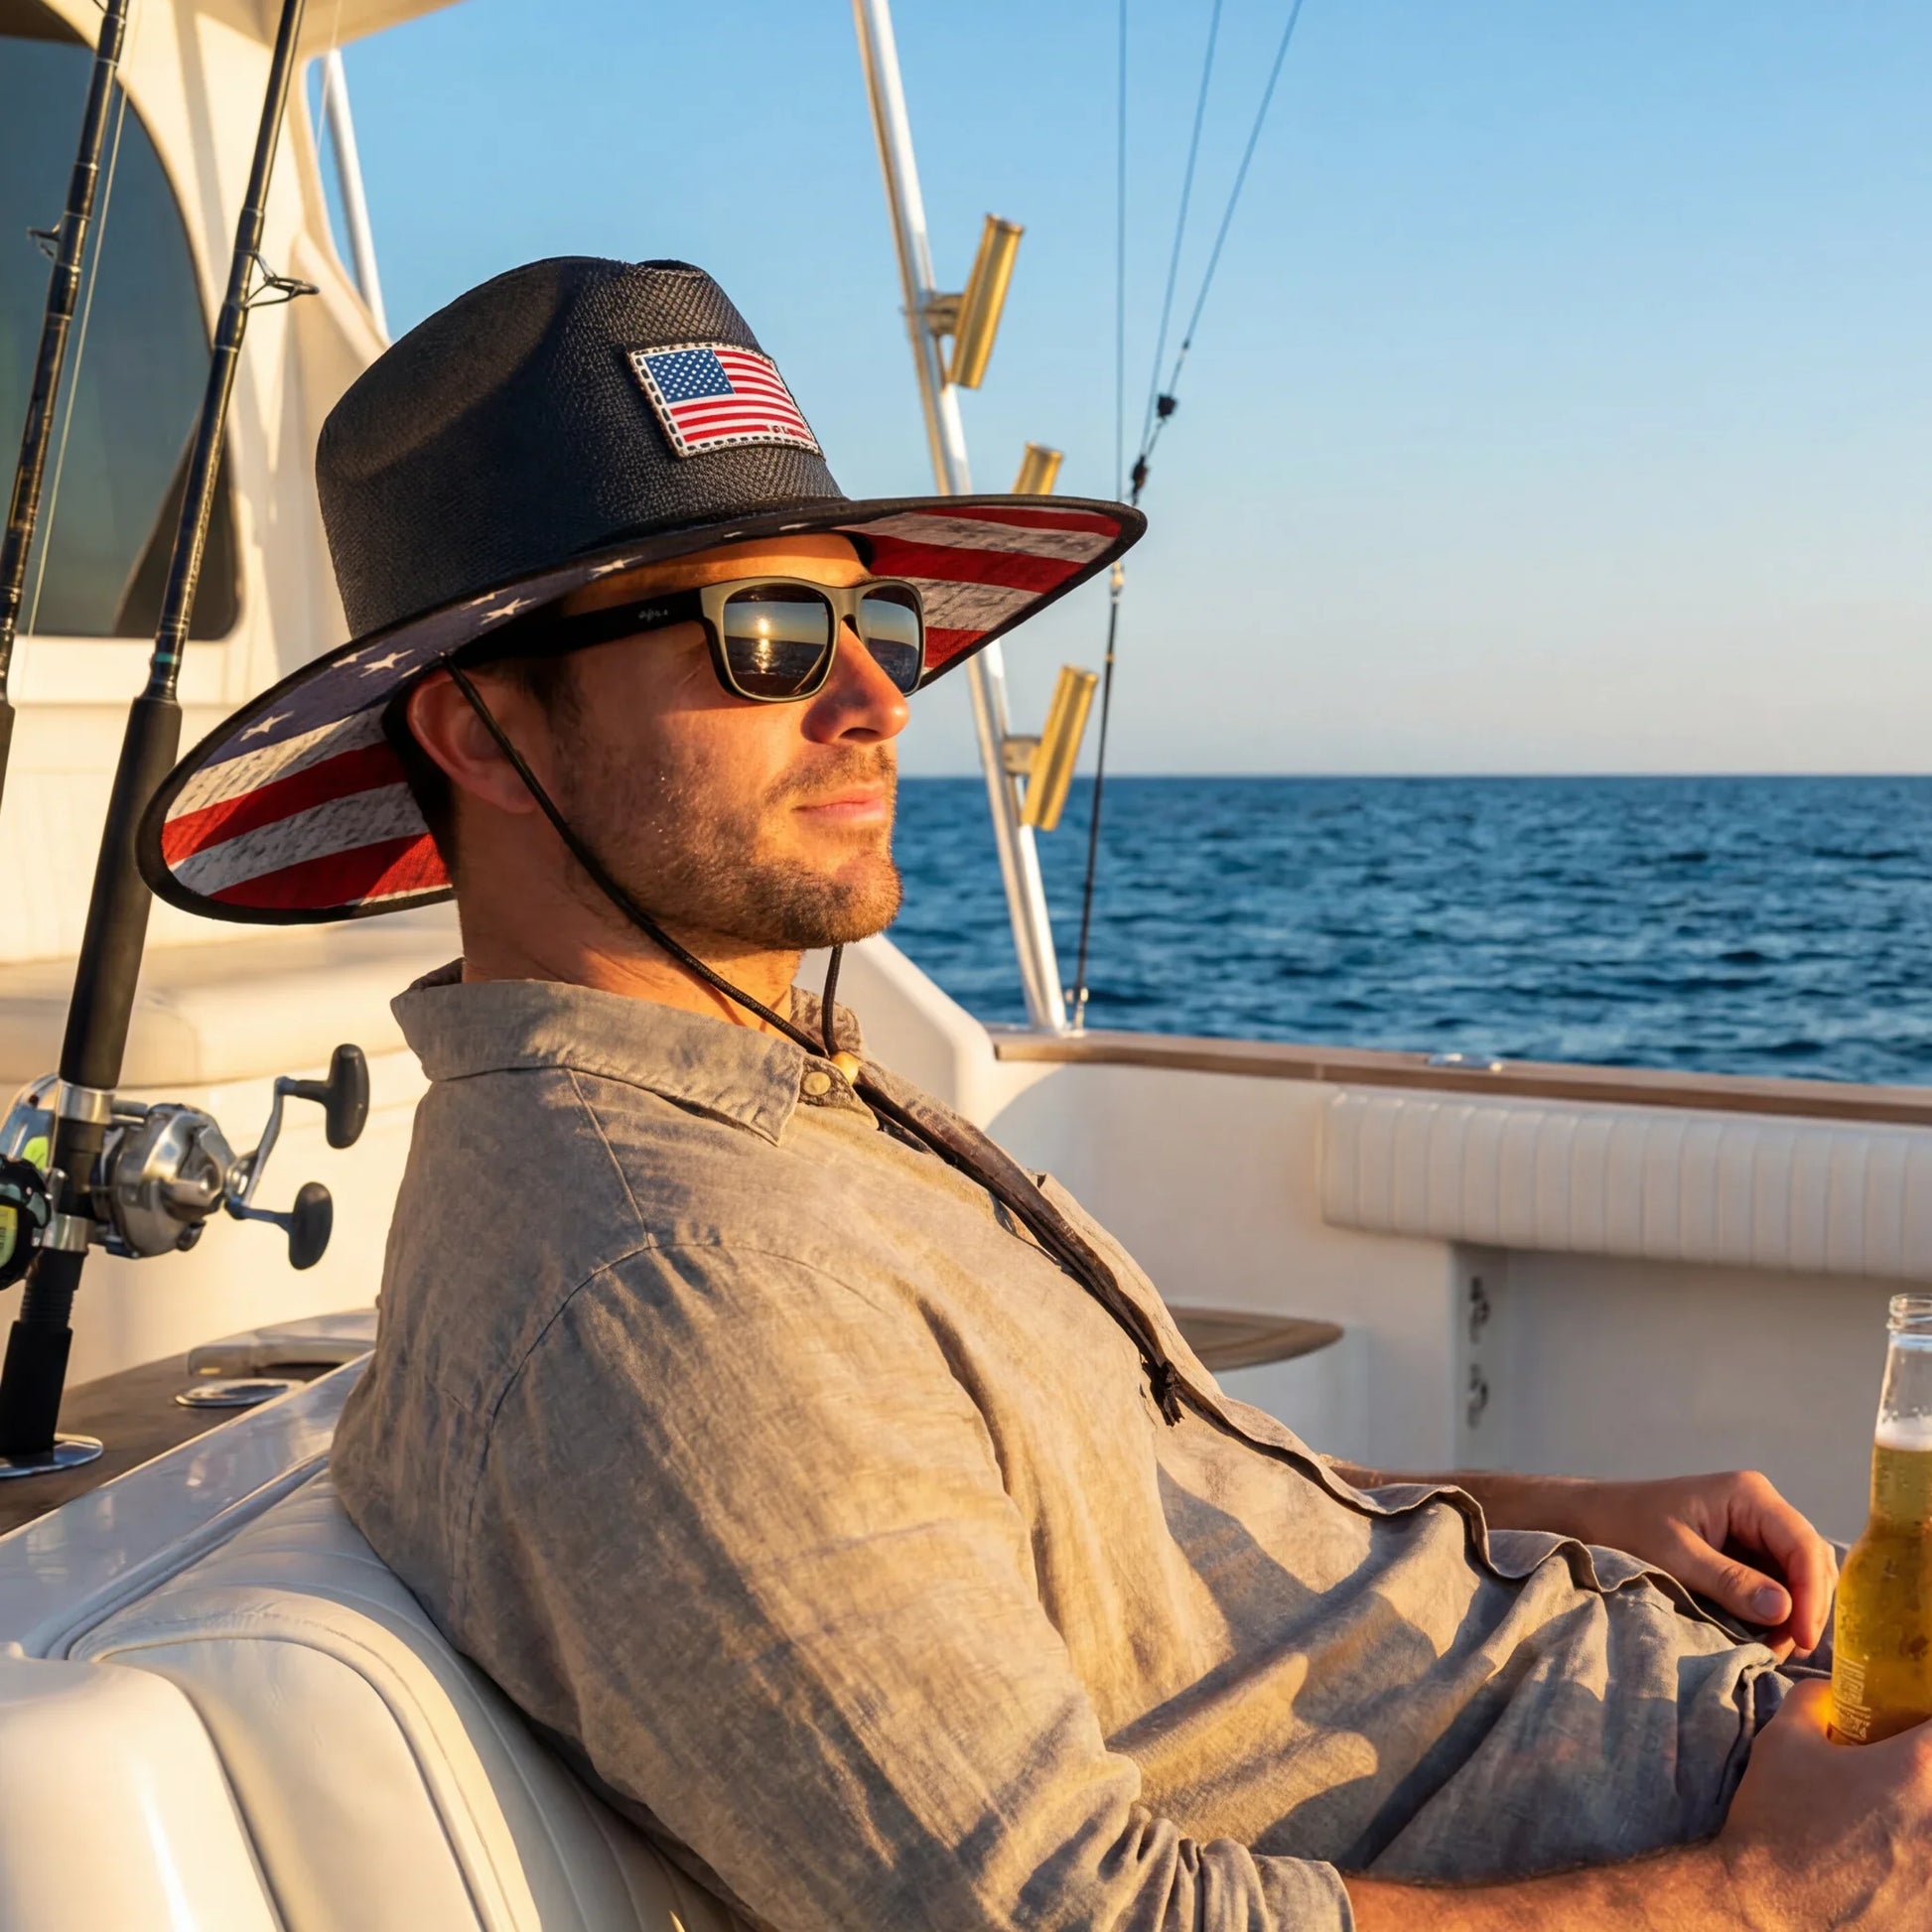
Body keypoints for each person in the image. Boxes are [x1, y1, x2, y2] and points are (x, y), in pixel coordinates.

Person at [141, 257, 1931, 1931]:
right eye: (765, 634)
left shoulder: (750, 1113)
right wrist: (1777, 1894)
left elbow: (1099, 1524)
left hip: (1737, 1728)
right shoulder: (665, 1281)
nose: (878, 694)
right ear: (481, 731)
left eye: (875, 621)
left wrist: (1556, 1517)